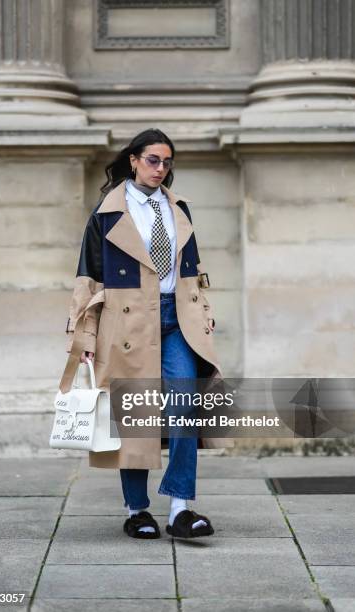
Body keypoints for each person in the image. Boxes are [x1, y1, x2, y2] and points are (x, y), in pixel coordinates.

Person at [63, 127, 230, 540]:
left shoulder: (179, 209)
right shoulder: (107, 212)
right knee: (136, 414)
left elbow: (191, 272)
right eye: (153, 160)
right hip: (127, 322)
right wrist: (84, 338)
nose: (160, 168)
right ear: (134, 160)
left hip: (178, 320)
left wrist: (204, 311)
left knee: (184, 407)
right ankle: (137, 510)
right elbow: (88, 278)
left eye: (167, 161)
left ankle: (179, 509)